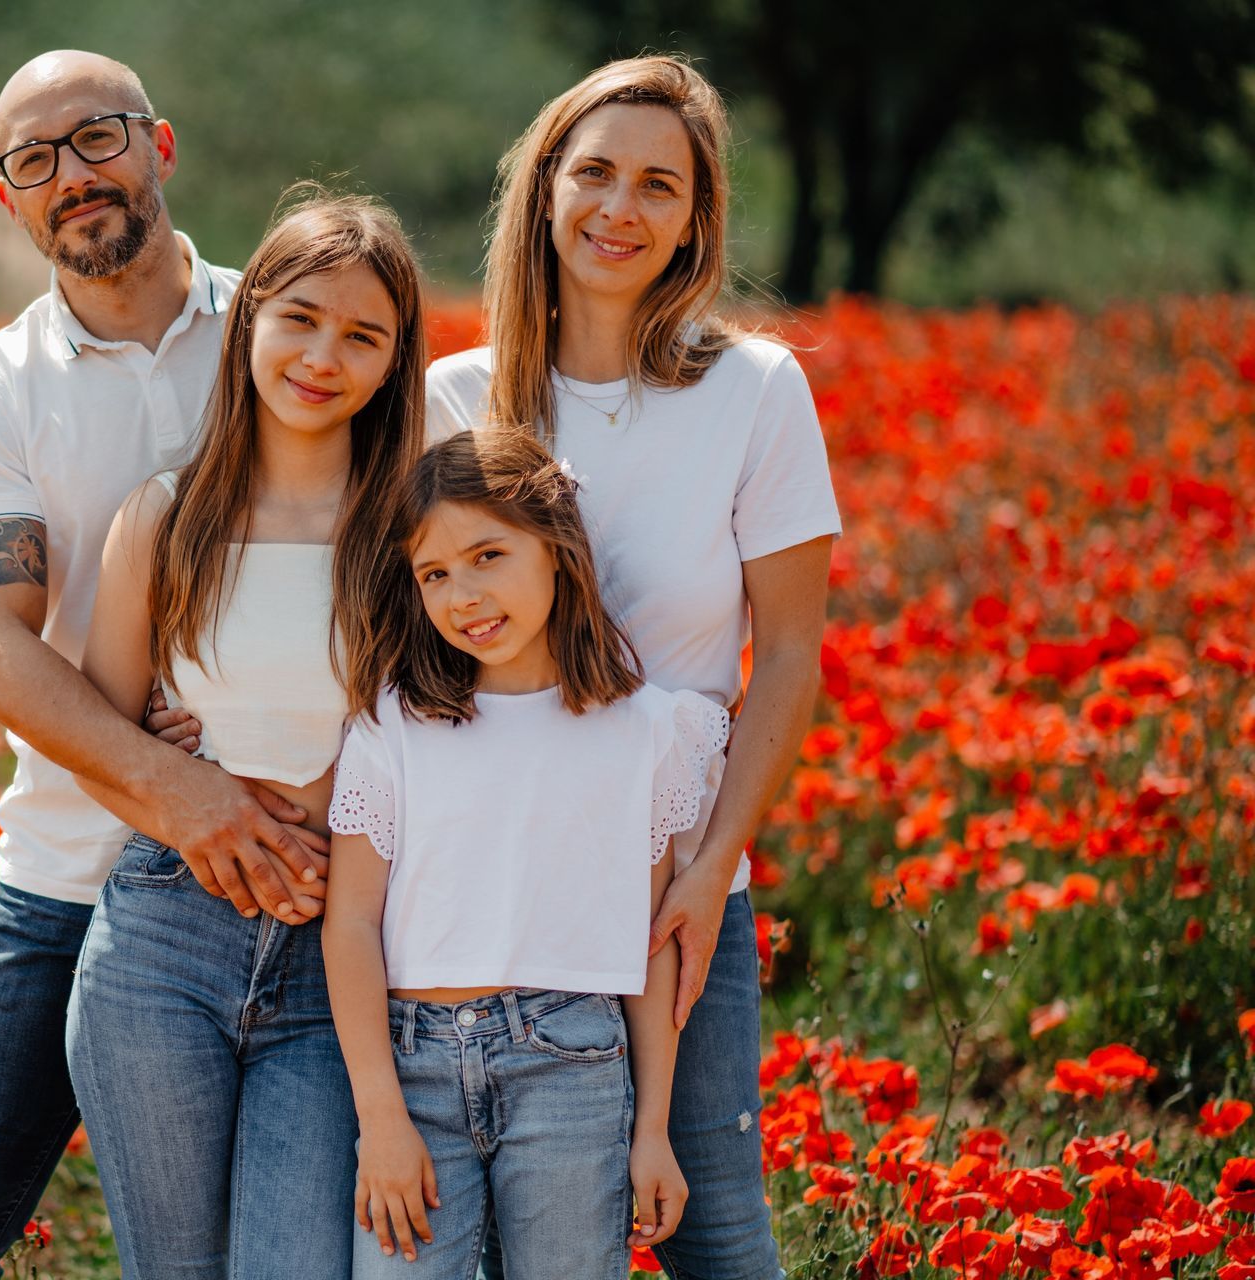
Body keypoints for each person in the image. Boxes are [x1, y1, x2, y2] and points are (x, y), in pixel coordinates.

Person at [0, 50, 333, 1280]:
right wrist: (175, 790)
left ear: (161, 145)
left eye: (96, 138)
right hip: (71, 865)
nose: (71, 175)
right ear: (9, 202)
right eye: (34, 161)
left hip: (287, 877)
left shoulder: (284, 330)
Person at [427, 55, 841, 1279]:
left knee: (714, 1225)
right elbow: (401, 636)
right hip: (488, 888)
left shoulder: (757, 390)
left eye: (660, 184)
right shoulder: (457, 395)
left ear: (696, 219)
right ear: (544, 188)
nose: (621, 206)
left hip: (673, 882)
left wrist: (713, 871)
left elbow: (790, 654)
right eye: (595, 170)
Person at [66, 190, 427, 1280]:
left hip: (342, 958)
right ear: (250, 318)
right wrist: (184, 783)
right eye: (301, 318)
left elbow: (467, 726)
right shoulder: (165, 517)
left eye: (363, 336)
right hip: (166, 941)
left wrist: (328, 794)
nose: (324, 356)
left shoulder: (413, 524)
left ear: (395, 362)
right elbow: (97, 733)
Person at [323, 431, 728, 1279]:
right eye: (434, 574)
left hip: (572, 1072)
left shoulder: (648, 735)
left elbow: (644, 951)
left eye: (487, 555)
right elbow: (351, 924)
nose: (462, 594)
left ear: (556, 546)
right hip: (415, 1073)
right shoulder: (394, 727)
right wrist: (380, 1119)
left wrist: (651, 1128)